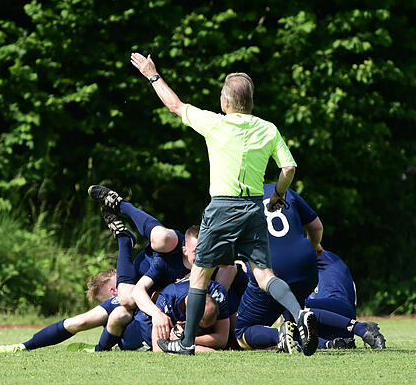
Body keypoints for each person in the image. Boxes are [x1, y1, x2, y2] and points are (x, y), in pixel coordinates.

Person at [130, 53, 317, 356]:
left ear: (226, 102)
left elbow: (174, 105)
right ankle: (300, 315)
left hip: (222, 209)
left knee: (200, 275)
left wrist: (152, 75)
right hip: (254, 208)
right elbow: (289, 168)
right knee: (265, 275)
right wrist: (279, 195)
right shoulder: (268, 128)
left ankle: (187, 342)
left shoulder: (216, 124)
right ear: (250, 102)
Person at [87, 186, 198, 351]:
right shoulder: (182, 254)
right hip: (157, 259)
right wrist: (156, 314)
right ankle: (121, 204)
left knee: (126, 299)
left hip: (158, 283)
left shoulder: (222, 270)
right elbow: (78, 323)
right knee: (163, 238)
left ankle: (124, 238)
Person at [232, 184, 323, 354]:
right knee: (295, 305)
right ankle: (297, 335)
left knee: (242, 331)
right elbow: (316, 226)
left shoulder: (235, 200)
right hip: (306, 264)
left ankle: (278, 335)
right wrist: (314, 246)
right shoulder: (283, 191)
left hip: (271, 268)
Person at [0, 269, 120, 353]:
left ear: (113, 292)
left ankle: (23, 346)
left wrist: (26, 345)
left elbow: (80, 322)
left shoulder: (121, 298)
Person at [114, 277, 230, 352]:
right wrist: (200, 347)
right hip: (139, 329)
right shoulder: (168, 299)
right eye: (198, 326)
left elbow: (222, 340)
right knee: (118, 314)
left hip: (174, 333)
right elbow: (158, 348)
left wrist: (188, 340)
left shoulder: (217, 293)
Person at [305, 250, 386, 350]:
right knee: (290, 330)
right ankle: (332, 344)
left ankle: (361, 328)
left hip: (341, 320)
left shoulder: (328, 266)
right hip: (333, 335)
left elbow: (343, 306)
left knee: (297, 310)